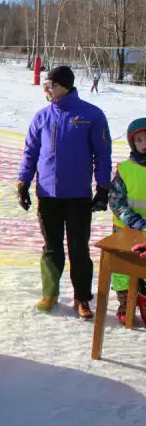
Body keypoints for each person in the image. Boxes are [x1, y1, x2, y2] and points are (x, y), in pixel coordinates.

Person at [17, 65, 112, 319]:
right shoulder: (42, 117)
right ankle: (50, 293)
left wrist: (103, 188)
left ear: (66, 86)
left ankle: (82, 298)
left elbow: (102, 154)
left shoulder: (91, 115)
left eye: (52, 84)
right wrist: (23, 182)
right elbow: (30, 152)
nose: (46, 88)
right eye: (45, 84)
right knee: (51, 247)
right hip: (47, 194)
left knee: (78, 248)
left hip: (78, 195)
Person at [108, 118, 146, 325]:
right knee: (122, 269)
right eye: (139, 140)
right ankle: (125, 302)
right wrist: (134, 221)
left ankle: (144, 298)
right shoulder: (125, 169)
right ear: (133, 144)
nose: (144, 143)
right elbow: (116, 201)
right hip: (125, 230)